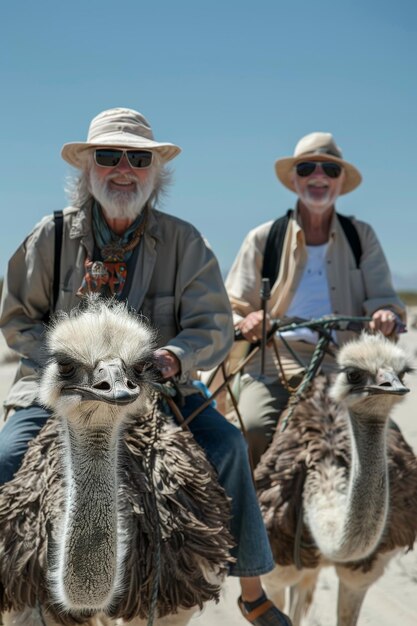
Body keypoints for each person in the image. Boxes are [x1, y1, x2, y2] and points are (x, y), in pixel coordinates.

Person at [0, 108, 291, 626]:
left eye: (137, 158)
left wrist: (175, 356)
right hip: (66, 392)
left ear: (155, 172)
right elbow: (19, 318)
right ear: (88, 166)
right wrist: (69, 366)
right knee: (5, 460)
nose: (123, 169)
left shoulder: (184, 242)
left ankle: (251, 586)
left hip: (161, 390)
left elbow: (211, 325)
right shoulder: (50, 236)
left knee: (227, 448)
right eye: (109, 156)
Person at [226, 131, 406, 466]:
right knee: (251, 430)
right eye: (307, 168)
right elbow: (231, 309)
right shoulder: (264, 238)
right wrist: (247, 321)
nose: (318, 176)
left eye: (330, 170)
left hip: (346, 365)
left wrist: (385, 315)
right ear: (294, 179)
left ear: (340, 182)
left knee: (391, 450)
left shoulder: (361, 236)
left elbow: (386, 301)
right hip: (274, 364)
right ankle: (248, 518)